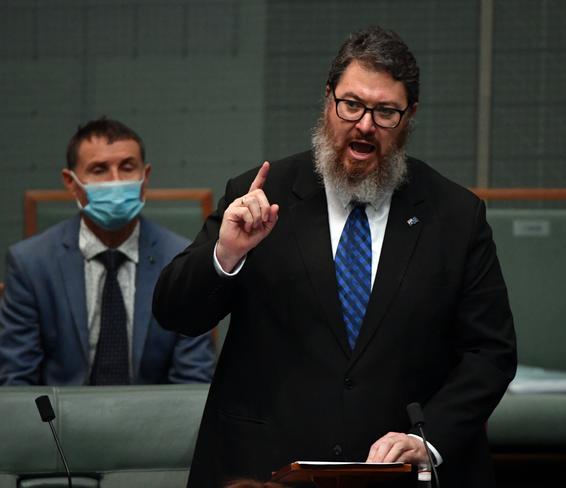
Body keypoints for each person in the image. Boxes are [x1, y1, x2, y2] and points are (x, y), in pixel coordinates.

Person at [153, 26, 516, 487]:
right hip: (266, 467)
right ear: (329, 101)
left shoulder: (455, 215)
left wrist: (431, 440)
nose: (365, 124)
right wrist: (226, 253)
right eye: (352, 105)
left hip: (397, 474)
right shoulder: (260, 194)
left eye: (385, 112)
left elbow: (491, 353)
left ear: (410, 117)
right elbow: (174, 313)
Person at [0, 117, 215, 385]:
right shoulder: (30, 264)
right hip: (60, 423)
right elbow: (17, 381)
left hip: (156, 422)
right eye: (99, 169)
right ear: (71, 182)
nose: (115, 181)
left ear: (144, 176)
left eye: (127, 167)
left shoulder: (183, 259)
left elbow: (193, 380)